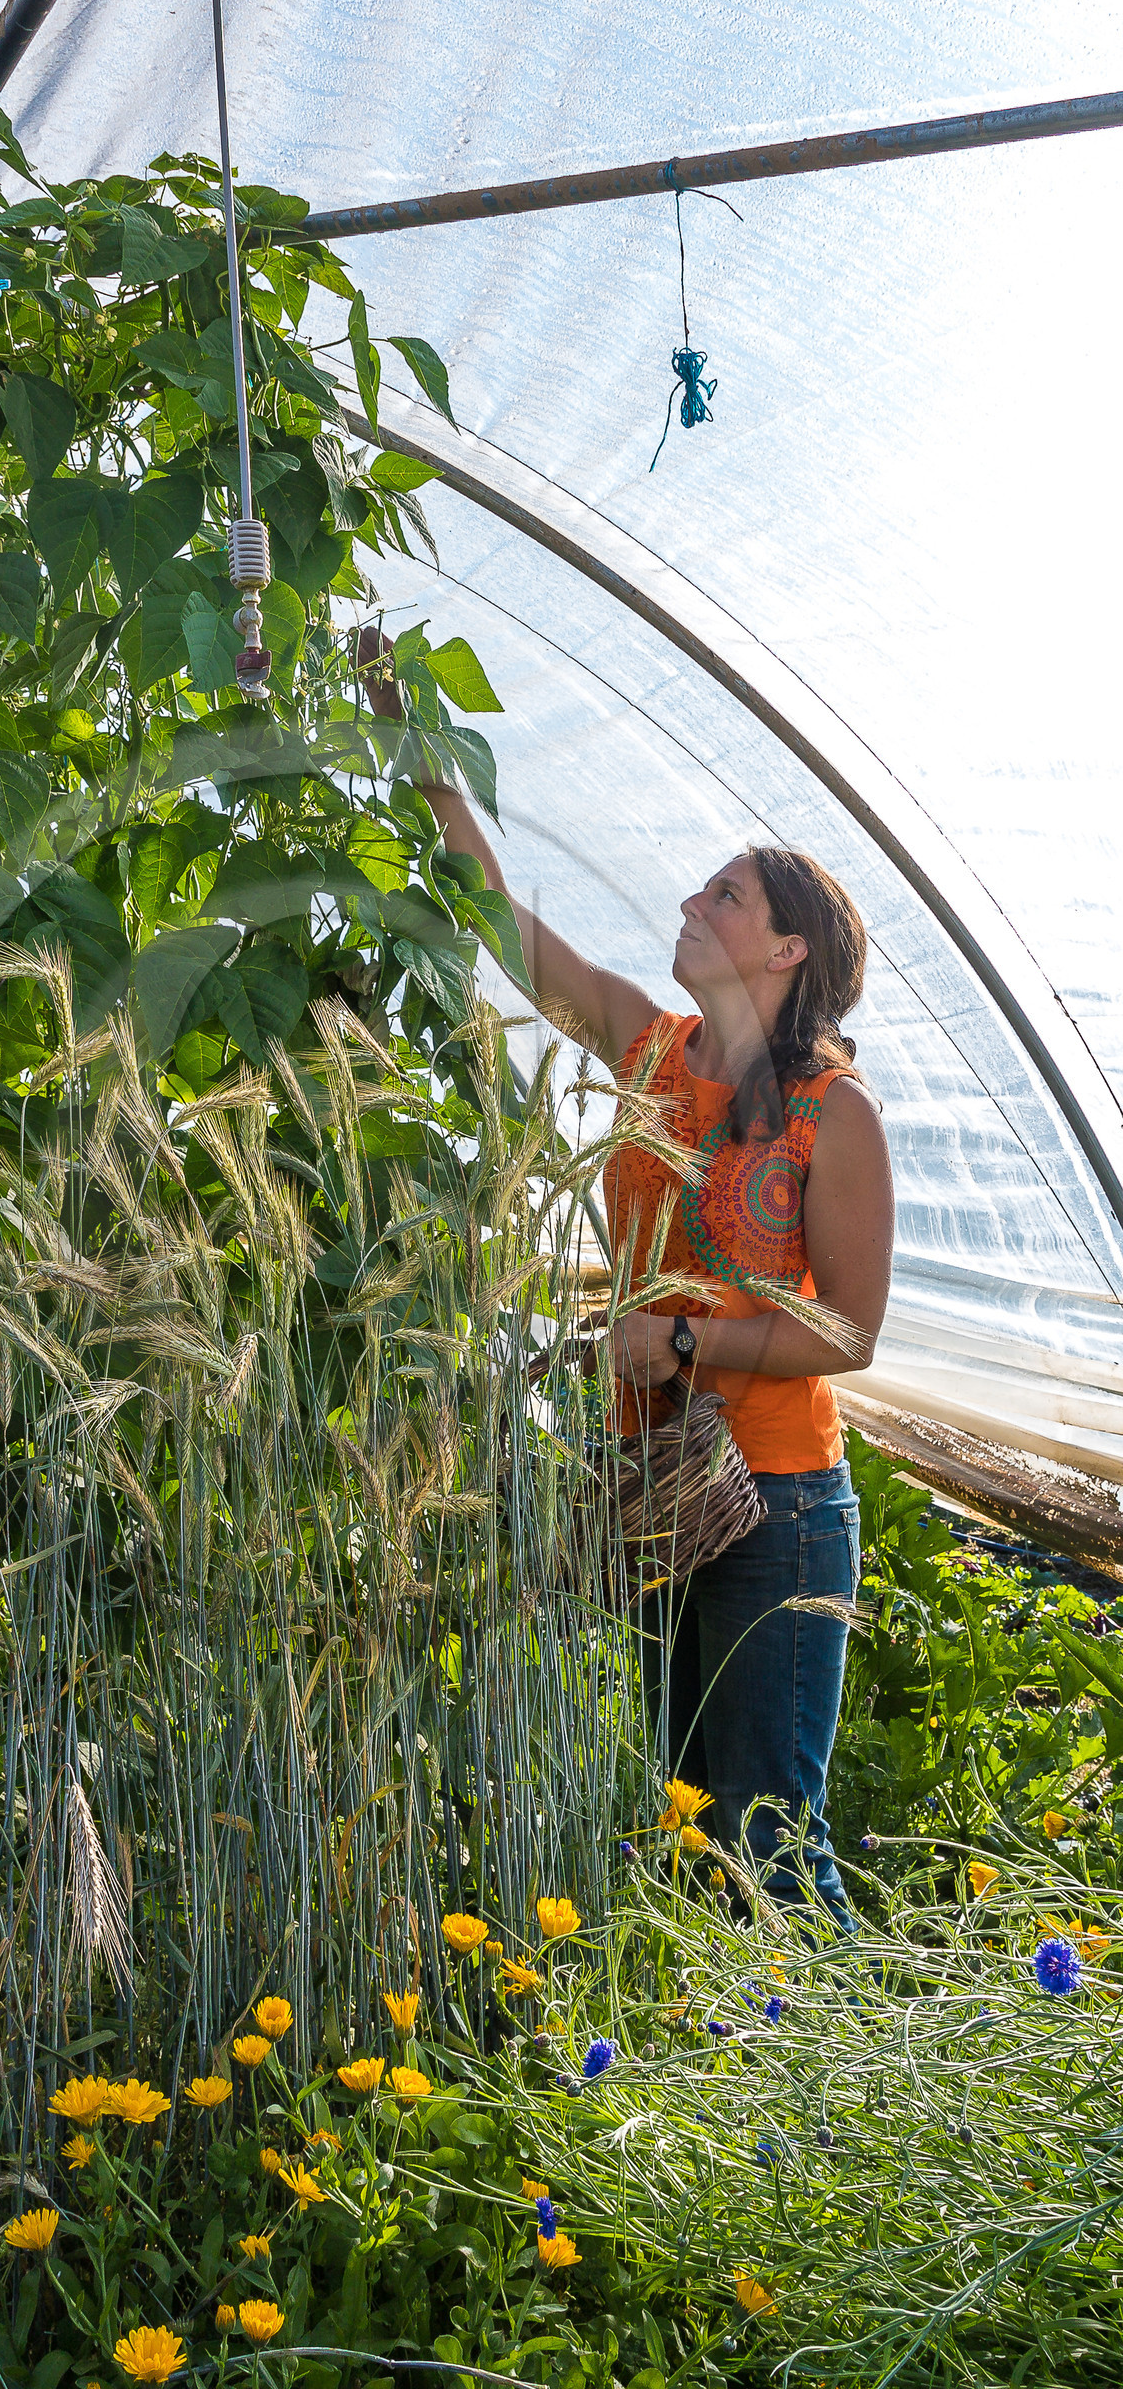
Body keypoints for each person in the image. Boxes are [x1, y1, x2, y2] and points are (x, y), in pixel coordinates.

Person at [355, 629, 894, 1922]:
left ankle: (833, 2040)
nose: (691, 905)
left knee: (771, 1834)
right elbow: (497, 919)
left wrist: (689, 1343)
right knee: (687, 1820)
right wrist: (408, 734)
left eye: (726, 898)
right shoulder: (650, 1048)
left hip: (777, 1503)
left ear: (787, 952)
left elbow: (849, 1333)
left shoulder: (833, 1114)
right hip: (658, 1486)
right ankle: (743, 2042)